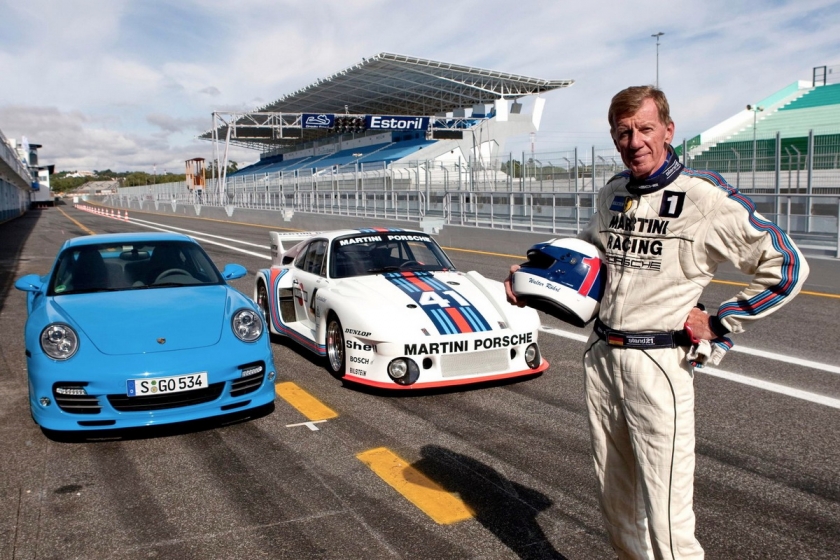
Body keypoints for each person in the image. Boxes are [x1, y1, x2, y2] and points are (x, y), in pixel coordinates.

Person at [505, 85, 809, 559]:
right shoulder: (613, 193)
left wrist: (721, 322)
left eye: (645, 129)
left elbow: (787, 266)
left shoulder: (703, 197)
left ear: (668, 131)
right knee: (616, 505)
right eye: (623, 133)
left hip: (658, 364)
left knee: (668, 519)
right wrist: (533, 281)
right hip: (602, 359)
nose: (635, 142)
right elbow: (589, 263)